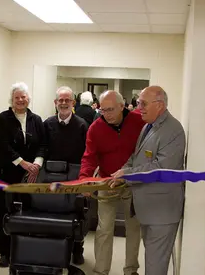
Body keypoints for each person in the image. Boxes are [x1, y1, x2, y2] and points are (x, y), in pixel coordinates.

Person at [111, 86, 186, 275]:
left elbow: (161, 168)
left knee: (155, 267)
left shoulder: (173, 130)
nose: (139, 107)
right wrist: (122, 173)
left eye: (143, 103)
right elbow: (136, 158)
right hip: (148, 209)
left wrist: (127, 174)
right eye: (138, 102)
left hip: (162, 212)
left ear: (159, 105)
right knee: (152, 262)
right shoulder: (148, 126)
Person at [80, 90, 144, 275]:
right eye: (102, 110)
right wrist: (85, 178)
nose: (105, 114)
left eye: (110, 110)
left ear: (122, 107)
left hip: (132, 183)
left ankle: (131, 269)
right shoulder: (96, 128)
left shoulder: (138, 121)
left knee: (133, 228)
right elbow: (89, 157)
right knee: (104, 229)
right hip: (107, 183)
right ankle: (101, 271)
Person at [0, 82, 46, 267]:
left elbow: (42, 145)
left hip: (28, 175)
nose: (21, 100)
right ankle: (4, 252)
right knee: (3, 212)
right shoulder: (2, 119)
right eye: (17, 97)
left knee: (25, 211)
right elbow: (3, 145)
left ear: (28, 99)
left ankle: (22, 248)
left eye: (23, 97)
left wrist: (36, 165)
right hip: (3, 173)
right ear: (11, 100)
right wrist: (23, 163)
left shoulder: (36, 119)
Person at [43, 86, 88, 264]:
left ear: (73, 103)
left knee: (77, 213)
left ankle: (77, 250)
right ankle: (53, 250)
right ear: (55, 103)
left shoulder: (82, 125)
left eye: (67, 100)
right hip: (52, 176)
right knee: (54, 213)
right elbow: (43, 148)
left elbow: (87, 152)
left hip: (75, 176)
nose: (63, 103)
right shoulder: (47, 124)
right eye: (60, 100)